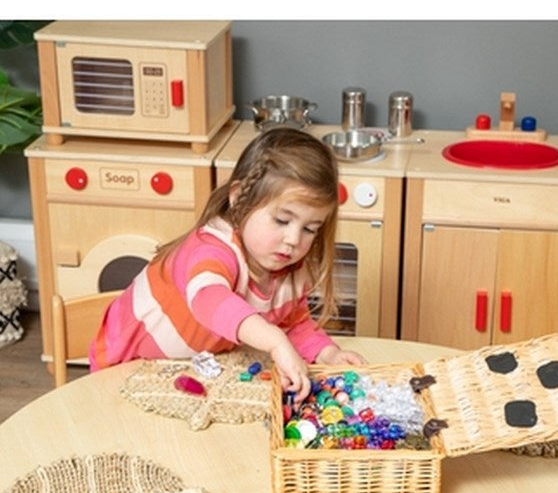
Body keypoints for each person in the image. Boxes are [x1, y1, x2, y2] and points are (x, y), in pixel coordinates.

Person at [89, 125, 366, 400]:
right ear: (238, 198)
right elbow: (210, 300)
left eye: (310, 229)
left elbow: (293, 325)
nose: (294, 239)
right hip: (123, 368)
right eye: (282, 220)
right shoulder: (209, 249)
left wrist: (328, 353)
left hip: (185, 373)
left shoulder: (288, 269)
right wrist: (274, 341)